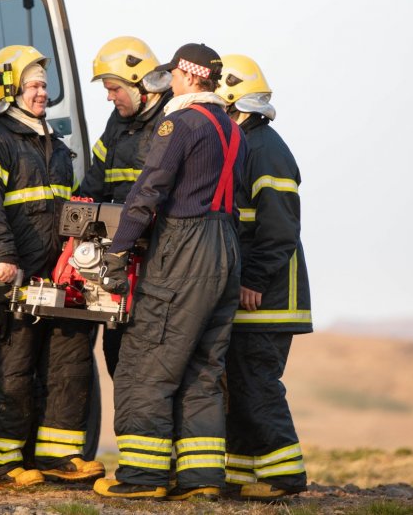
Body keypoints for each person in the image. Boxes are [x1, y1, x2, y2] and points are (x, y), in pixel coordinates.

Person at [92, 43, 246, 501]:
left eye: (174, 75)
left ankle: (142, 477)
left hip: (183, 248)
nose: (170, 83)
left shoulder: (178, 122)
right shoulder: (230, 128)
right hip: (225, 248)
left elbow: (149, 189)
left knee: (146, 362)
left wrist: (117, 254)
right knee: (202, 368)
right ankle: (201, 480)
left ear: (188, 75)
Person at [0, 45, 104, 489]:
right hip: (13, 276)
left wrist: (82, 259)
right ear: (8, 89)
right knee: (14, 369)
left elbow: (74, 208)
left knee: (68, 364)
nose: (43, 92)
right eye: (34, 85)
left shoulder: (57, 147)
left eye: (44, 84)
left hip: (58, 277)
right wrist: (4, 257)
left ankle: (58, 457)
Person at [216, 54, 312, 501]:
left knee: (256, 381)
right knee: (240, 381)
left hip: (268, 296)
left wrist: (252, 279)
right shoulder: (248, 145)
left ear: (235, 103)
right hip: (254, 293)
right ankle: (243, 473)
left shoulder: (264, 150)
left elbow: (279, 229)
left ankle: (285, 475)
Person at [75, 35, 173, 378]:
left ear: (141, 84)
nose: (109, 96)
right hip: (117, 263)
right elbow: (94, 182)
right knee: (115, 354)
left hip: (159, 265)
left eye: (114, 87)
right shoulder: (116, 123)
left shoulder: (174, 121)